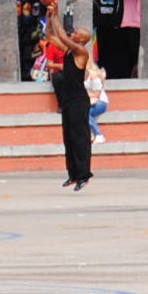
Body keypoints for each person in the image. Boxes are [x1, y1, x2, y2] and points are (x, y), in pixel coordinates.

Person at [47, 17, 93, 191]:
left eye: (75, 33)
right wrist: (49, 17)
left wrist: (56, 13)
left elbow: (62, 36)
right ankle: (73, 174)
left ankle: (84, 175)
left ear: (82, 39)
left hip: (79, 101)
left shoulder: (81, 52)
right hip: (67, 100)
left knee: (80, 138)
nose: (72, 34)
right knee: (69, 138)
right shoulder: (68, 51)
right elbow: (51, 36)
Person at [79, 29, 109, 146]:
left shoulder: (94, 76)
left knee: (85, 113)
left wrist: (83, 95)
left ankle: (99, 135)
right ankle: (90, 134)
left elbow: (97, 94)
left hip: (100, 102)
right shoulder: (80, 75)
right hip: (88, 101)